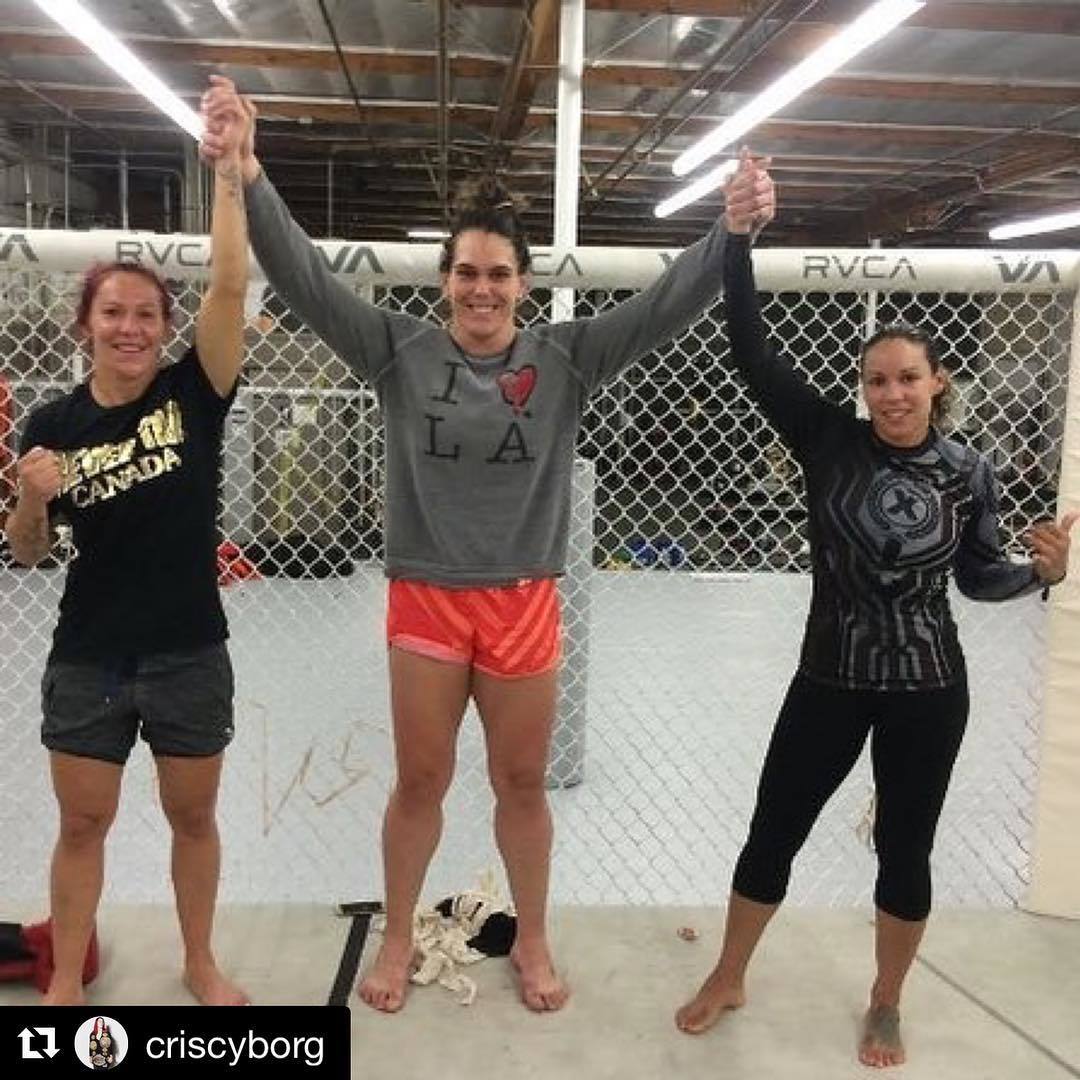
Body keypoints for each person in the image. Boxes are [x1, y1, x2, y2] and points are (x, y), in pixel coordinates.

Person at [199, 78, 767, 1014]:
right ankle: (396, 935)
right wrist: (248, 173)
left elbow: (665, 304)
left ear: (523, 286)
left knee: (521, 782)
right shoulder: (398, 349)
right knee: (421, 780)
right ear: (445, 282)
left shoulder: (564, 359)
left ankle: (532, 937)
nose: (482, 289)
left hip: (521, 602)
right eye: (466, 272)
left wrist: (730, 230)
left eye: (499, 274)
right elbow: (302, 277)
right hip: (427, 597)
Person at [675, 154, 1076, 1067]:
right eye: (877, 381)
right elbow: (750, 350)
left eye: (907, 378)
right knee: (774, 829)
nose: (891, 393)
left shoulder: (969, 472)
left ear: (937, 383)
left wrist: (1038, 575)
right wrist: (738, 239)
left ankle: (887, 1001)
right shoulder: (829, 441)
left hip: (929, 690)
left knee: (905, 847)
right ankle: (730, 972)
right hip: (829, 677)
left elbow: (979, 578)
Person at [5, 75, 251, 1006]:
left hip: (188, 647)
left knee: (194, 819)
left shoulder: (196, 393)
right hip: (90, 654)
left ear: (164, 329)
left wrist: (226, 167)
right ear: (86, 326)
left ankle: (200, 962)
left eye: (147, 315)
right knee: (82, 824)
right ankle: (65, 981)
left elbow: (230, 282)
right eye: (113, 313)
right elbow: (28, 553)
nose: (131, 328)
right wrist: (30, 502)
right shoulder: (51, 423)